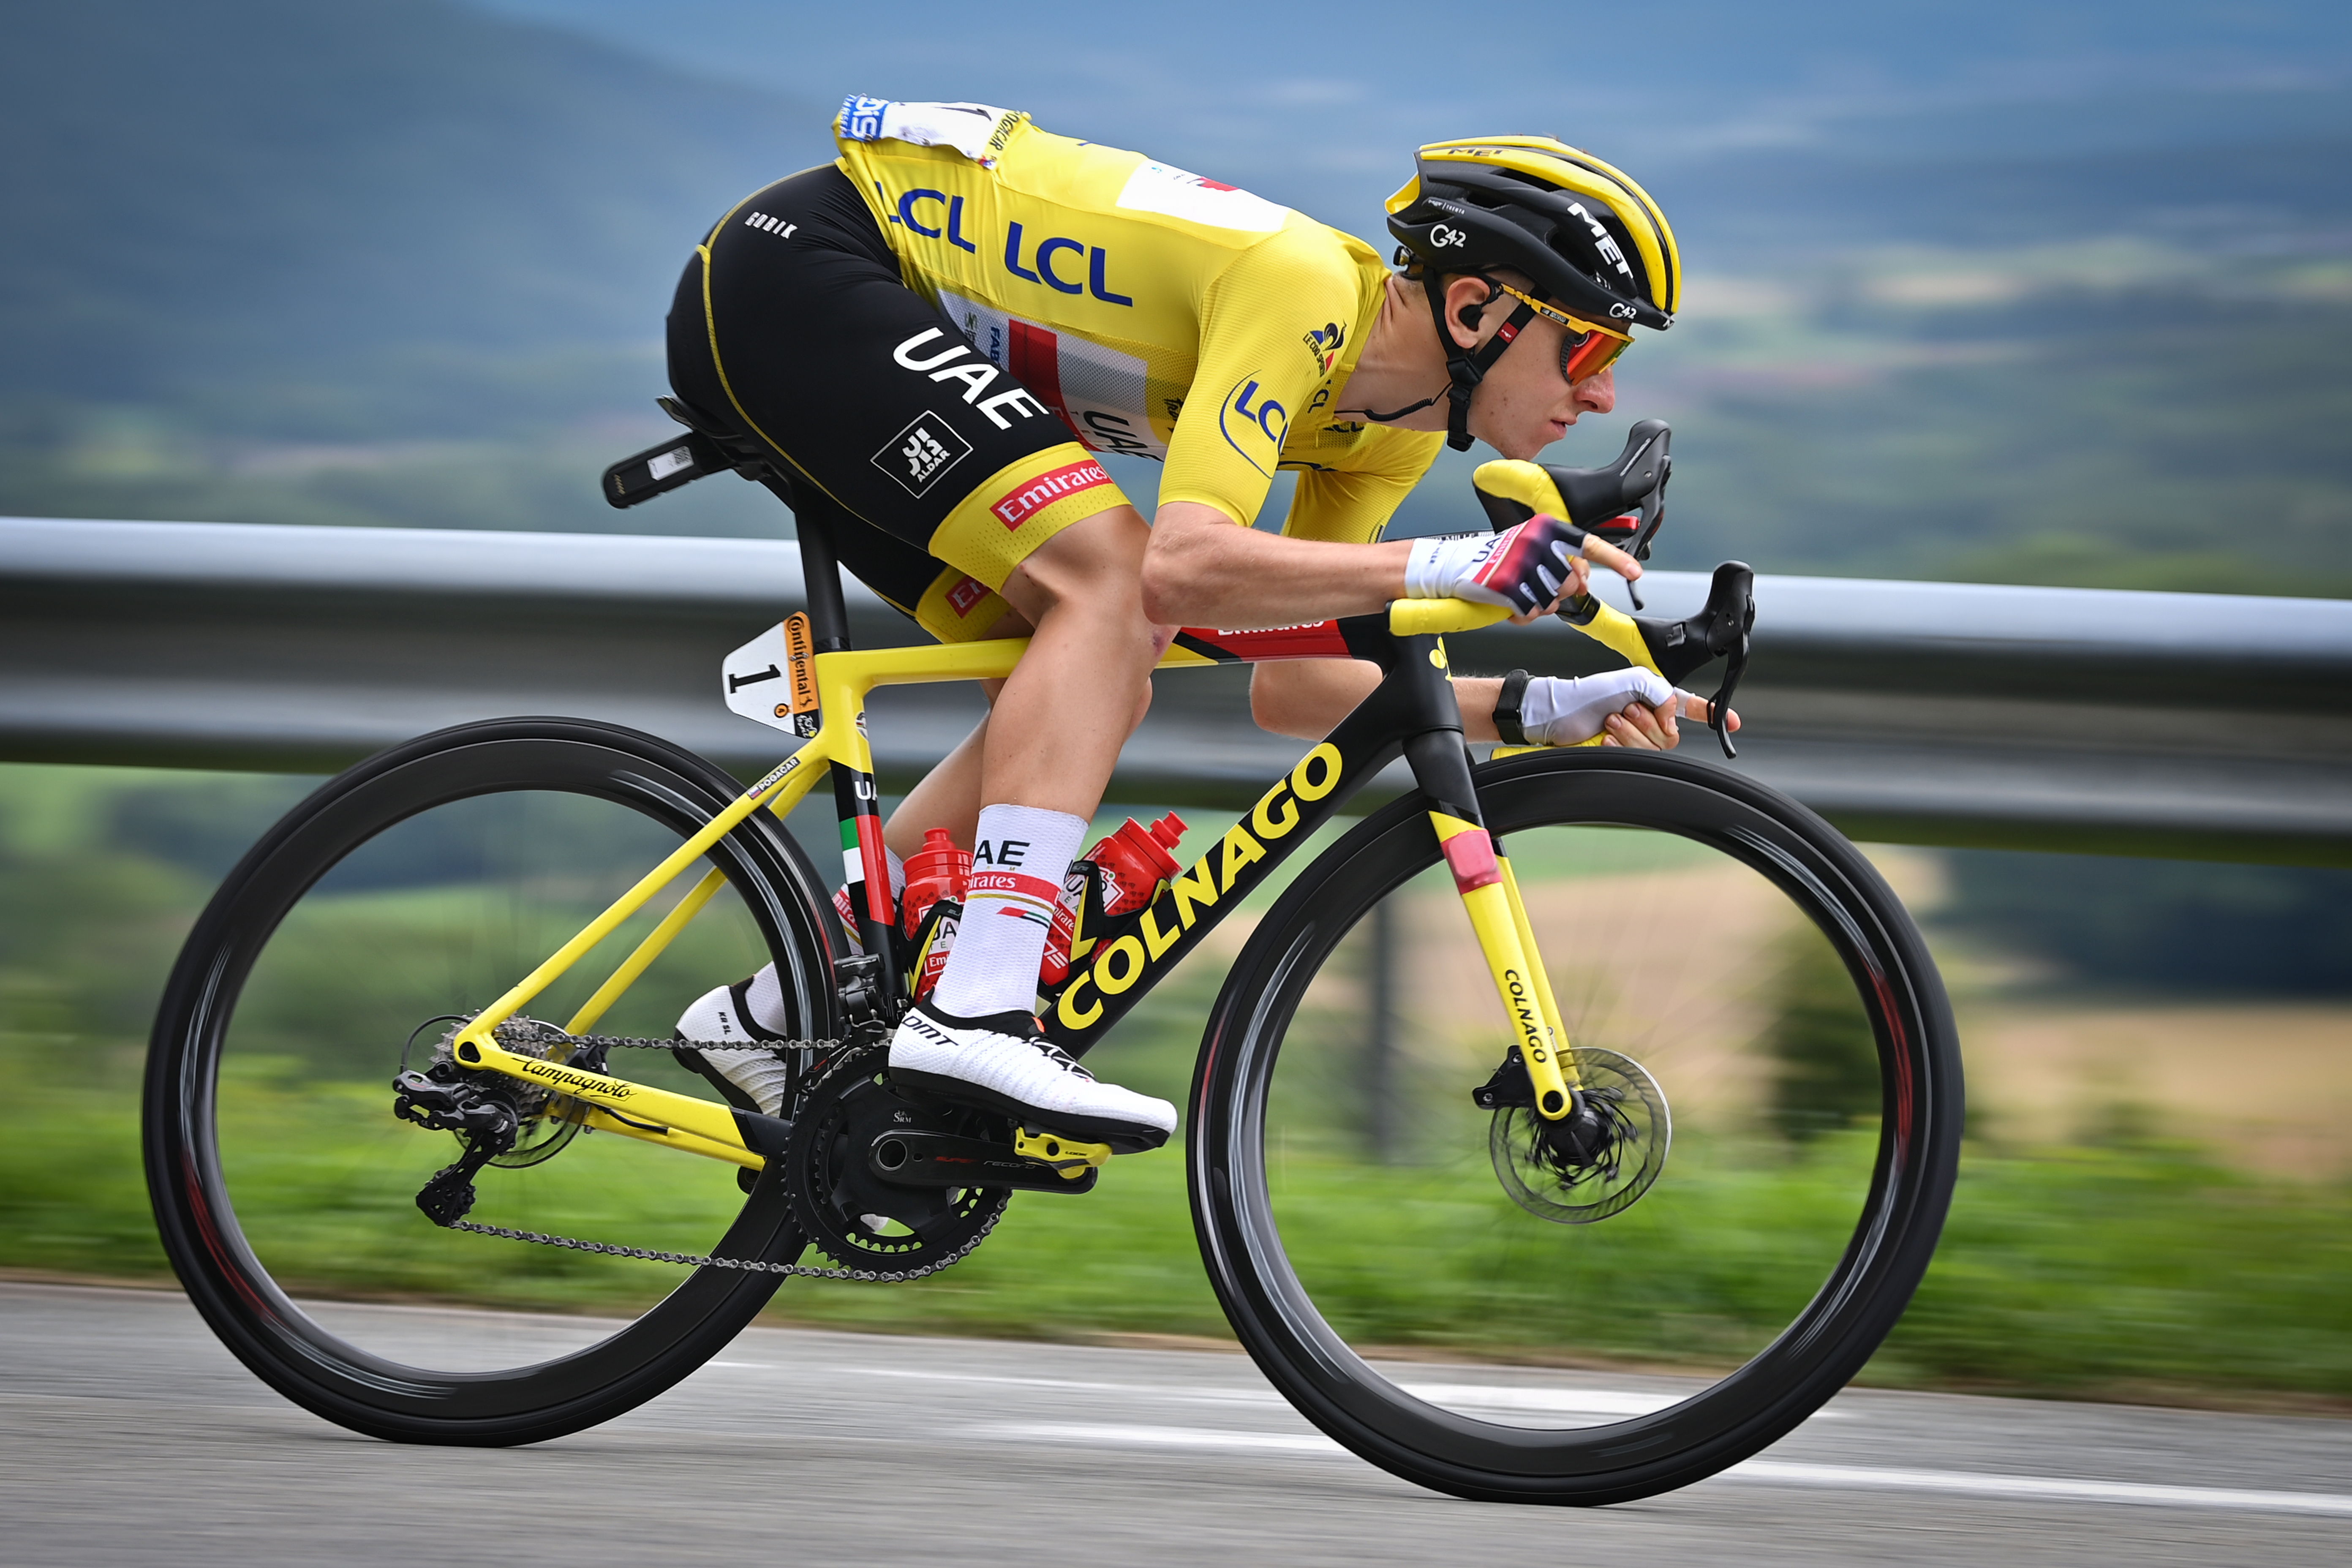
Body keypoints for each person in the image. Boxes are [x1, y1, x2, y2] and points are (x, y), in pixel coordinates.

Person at [668, 99, 1721, 1154]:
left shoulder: (1385, 438)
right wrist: (1453, 561)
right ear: (1477, 309)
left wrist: (1532, 706)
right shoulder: (1300, 289)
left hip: (863, 330)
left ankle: (771, 1009)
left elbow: (1297, 685)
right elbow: (1181, 569)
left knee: (1088, 658)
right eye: (1586, 344)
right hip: (807, 272)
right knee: (1116, 591)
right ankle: (979, 1005)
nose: (1604, 391)